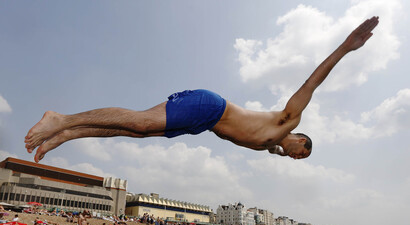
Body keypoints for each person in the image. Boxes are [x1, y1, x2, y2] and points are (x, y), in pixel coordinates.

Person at [24, 17, 379, 163]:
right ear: (299, 135)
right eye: (303, 150)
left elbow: (269, 147)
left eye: (302, 159)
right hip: (210, 107)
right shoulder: (288, 120)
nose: (300, 157)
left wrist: (278, 150)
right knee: (141, 122)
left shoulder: (271, 143)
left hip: (201, 123)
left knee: (137, 133)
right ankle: (61, 118)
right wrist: (346, 47)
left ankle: (66, 134)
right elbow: (311, 82)